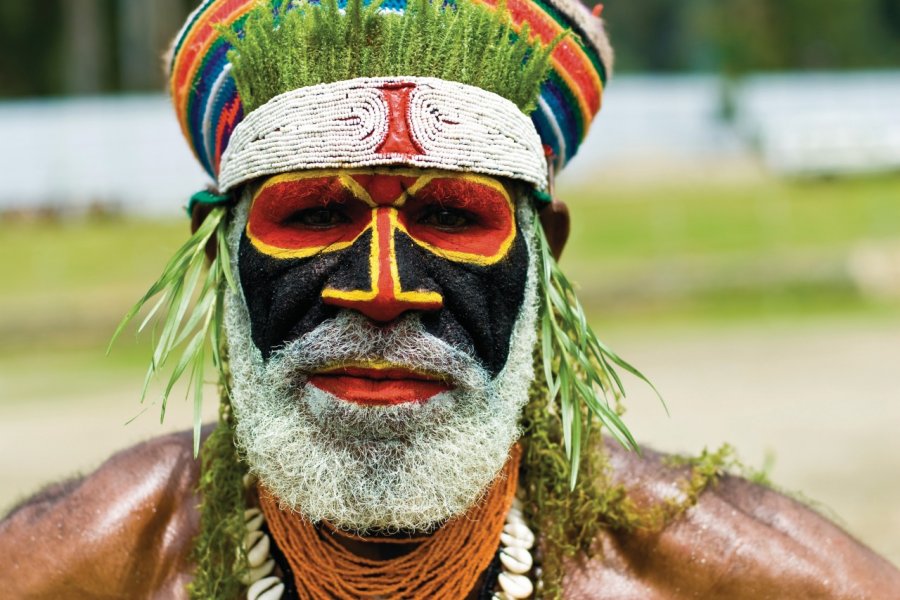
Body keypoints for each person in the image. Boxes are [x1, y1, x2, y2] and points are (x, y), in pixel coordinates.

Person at [2, 0, 898, 598]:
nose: (383, 291)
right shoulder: (89, 568)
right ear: (220, 258)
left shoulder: (722, 580)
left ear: (544, 259)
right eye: (313, 212)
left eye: (450, 216)